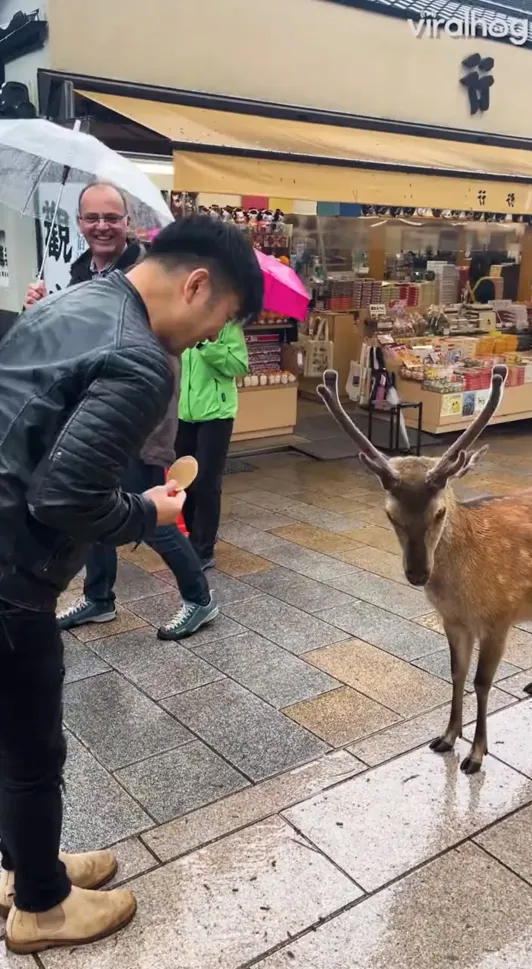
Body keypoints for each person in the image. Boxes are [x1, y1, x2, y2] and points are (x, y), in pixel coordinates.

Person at [0, 216, 262, 955]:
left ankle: (23, 864)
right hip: (11, 574)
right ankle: (43, 907)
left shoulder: (72, 301)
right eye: (219, 319)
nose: (211, 338)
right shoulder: (143, 358)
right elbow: (65, 497)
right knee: (30, 749)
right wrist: (147, 511)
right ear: (196, 284)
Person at [27, 182, 216, 641]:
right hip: (87, 409)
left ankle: (199, 597)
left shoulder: (153, 272)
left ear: (127, 223)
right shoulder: (77, 272)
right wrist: (41, 309)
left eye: (112, 217)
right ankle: (99, 597)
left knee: (150, 512)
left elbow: (162, 339)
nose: (102, 226)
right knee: (87, 504)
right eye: (92, 218)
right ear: (80, 223)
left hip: (138, 413)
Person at [176, 322, 249, 569]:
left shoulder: (228, 326)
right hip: (184, 413)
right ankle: (193, 537)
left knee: (207, 481)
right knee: (183, 480)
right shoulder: (183, 322)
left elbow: (239, 366)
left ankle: (203, 548)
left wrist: (206, 343)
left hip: (217, 414)